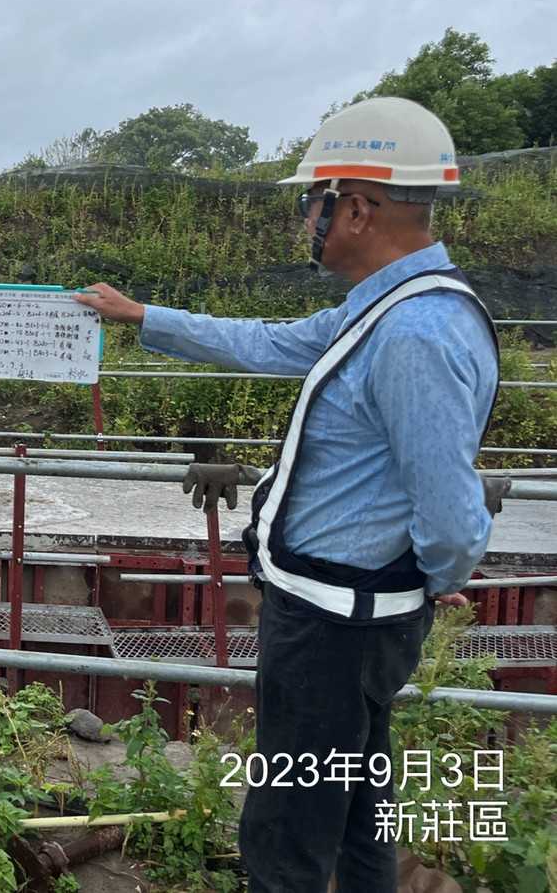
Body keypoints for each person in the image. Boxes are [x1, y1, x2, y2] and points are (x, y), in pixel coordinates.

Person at [75, 97, 499, 893]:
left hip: (340, 628)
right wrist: (144, 317)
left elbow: (450, 514)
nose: (308, 217)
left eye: (317, 201)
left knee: (289, 836)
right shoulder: (383, 308)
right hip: (349, 615)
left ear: (361, 208)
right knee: (356, 813)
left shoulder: (414, 334)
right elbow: (272, 342)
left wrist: (433, 579)